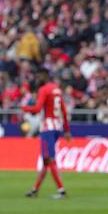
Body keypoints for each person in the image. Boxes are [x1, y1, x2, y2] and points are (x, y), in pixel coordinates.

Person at [22, 70, 71, 199]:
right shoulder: (57, 90)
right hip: (57, 127)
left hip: (47, 129)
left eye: (38, 76)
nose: (37, 79)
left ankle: (61, 191)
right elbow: (64, 111)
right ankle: (35, 190)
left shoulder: (44, 89)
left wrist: (24, 108)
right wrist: (66, 130)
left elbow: (37, 109)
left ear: (43, 77)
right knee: (45, 161)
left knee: (50, 159)